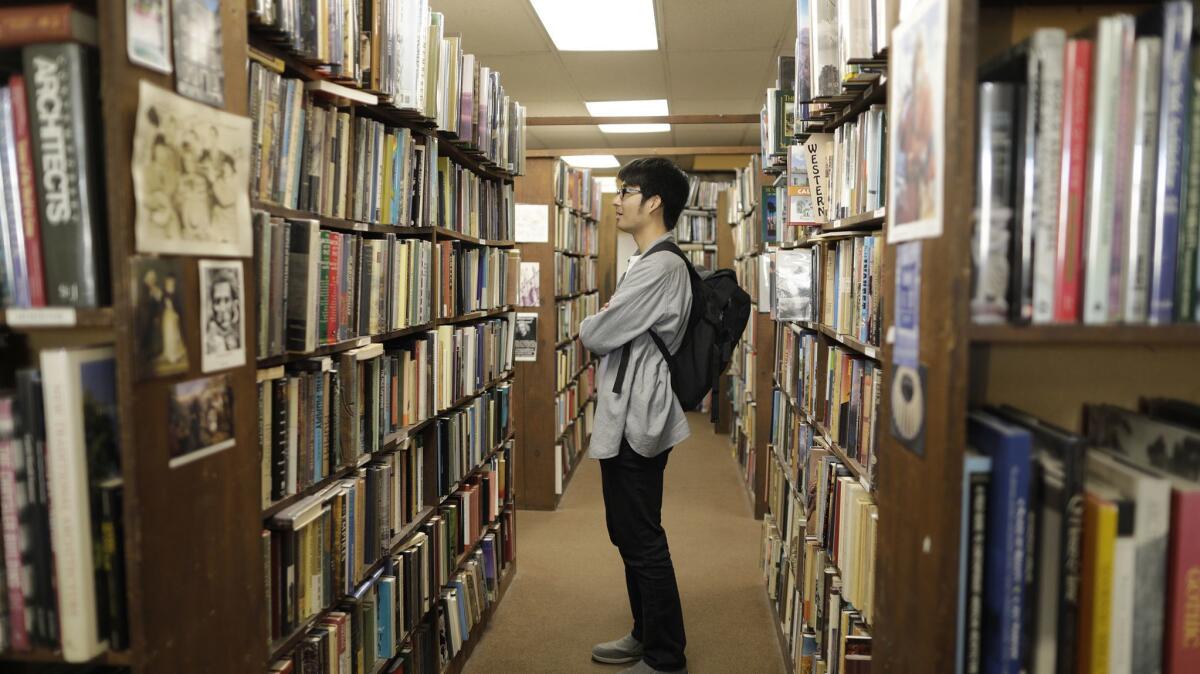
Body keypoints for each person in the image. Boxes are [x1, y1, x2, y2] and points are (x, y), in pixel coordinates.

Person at [579, 157, 693, 674]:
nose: (617, 200)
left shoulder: (661, 266)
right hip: (627, 413)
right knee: (627, 534)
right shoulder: (646, 261)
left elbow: (597, 334)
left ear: (653, 202)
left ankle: (666, 656)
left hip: (637, 421)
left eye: (626, 191)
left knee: (643, 538)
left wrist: (594, 321)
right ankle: (644, 634)